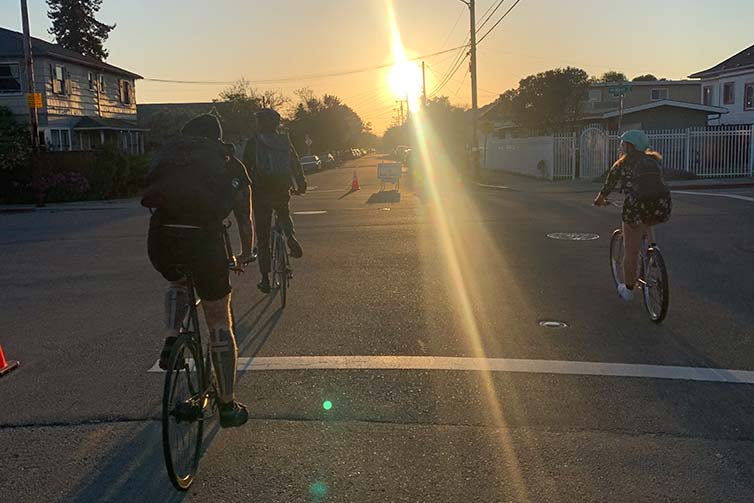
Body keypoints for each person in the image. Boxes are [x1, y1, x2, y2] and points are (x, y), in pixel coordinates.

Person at [144, 113, 252, 428]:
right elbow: (244, 219)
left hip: (162, 240)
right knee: (219, 320)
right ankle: (228, 405)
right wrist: (244, 254)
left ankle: (171, 338)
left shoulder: (169, 158)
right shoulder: (229, 162)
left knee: (178, 281)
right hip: (205, 242)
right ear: (217, 138)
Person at [594, 130, 672, 302]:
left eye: (623, 144)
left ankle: (628, 290)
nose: (621, 147)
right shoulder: (655, 160)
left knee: (631, 251)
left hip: (636, 207)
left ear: (629, 146)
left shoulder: (623, 164)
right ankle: (653, 249)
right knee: (648, 217)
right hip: (661, 206)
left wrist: (600, 200)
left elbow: (609, 184)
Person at [242, 108, 307, 294]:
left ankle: (265, 279)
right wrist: (301, 183)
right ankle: (291, 238)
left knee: (263, 237)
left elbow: (244, 169)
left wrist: (244, 191)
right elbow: (295, 163)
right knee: (284, 213)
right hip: (281, 187)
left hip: (261, 192)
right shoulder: (284, 141)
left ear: (259, 123)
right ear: (277, 123)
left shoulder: (253, 143)